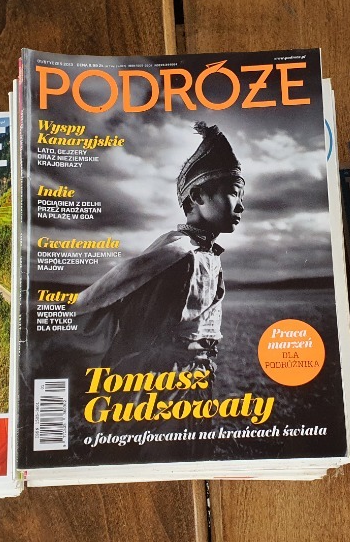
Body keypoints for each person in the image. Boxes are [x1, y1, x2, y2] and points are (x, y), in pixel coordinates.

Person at [26, 121, 244, 459]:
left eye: (242, 195)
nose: (241, 205)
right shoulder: (178, 256)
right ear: (198, 196)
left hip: (192, 384)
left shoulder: (200, 252)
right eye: (233, 191)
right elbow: (139, 338)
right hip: (164, 389)